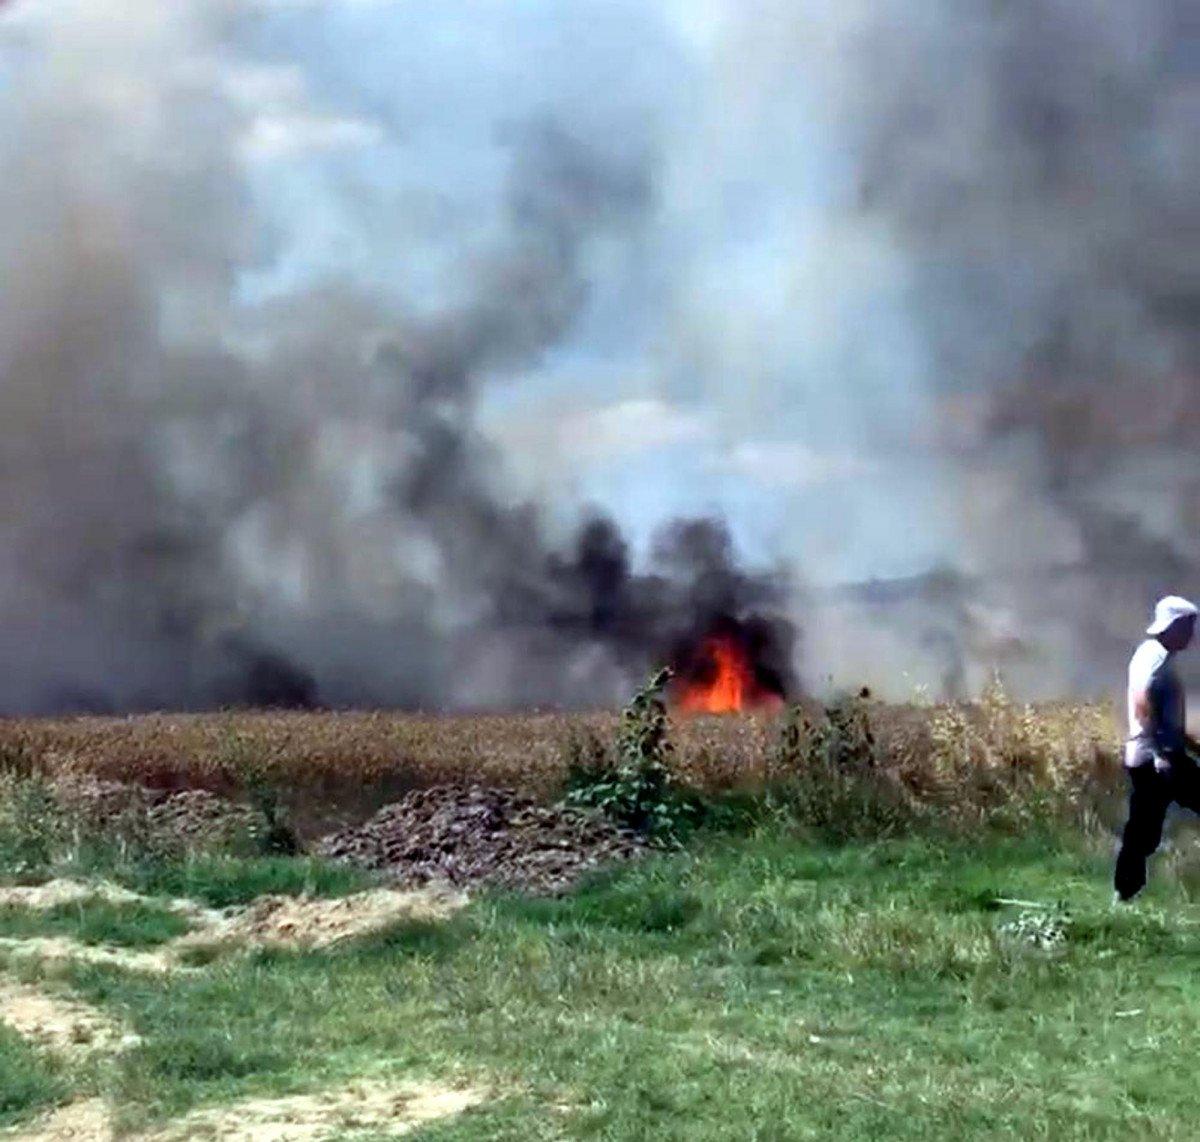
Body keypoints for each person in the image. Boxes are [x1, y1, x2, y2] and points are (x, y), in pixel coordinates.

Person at [1114, 595, 1200, 901]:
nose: (1192, 635)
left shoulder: (1155, 654)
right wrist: (1161, 752)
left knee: (1143, 830)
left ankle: (1125, 892)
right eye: (1188, 627)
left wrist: (1193, 747)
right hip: (1153, 759)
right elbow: (1141, 701)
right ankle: (1124, 892)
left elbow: (1169, 722)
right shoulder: (1154, 656)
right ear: (1172, 626)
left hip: (1160, 756)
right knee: (1142, 830)